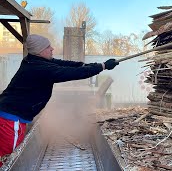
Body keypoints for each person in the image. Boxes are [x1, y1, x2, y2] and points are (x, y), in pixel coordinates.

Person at [0, 34, 119, 166]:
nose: (52, 49)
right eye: (48, 47)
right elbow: (71, 73)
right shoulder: (39, 68)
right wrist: (102, 66)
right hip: (9, 121)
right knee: (7, 160)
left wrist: (92, 65)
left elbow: (65, 64)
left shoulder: (33, 60)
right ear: (40, 51)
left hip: (9, 116)